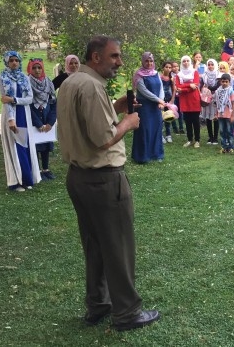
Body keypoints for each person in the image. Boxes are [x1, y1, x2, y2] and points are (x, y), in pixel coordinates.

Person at [57, 35, 160, 331]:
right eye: (114, 56)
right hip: (103, 181)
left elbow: (89, 124)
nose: (119, 62)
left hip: (79, 178)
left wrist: (115, 107)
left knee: (95, 246)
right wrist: (128, 122)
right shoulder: (91, 86)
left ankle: (98, 305)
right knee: (118, 247)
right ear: (95, 57)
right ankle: (127, 313)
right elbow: (102, 139)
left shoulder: (72, 82)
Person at [0, 51, 41, 191]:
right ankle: (16, 182)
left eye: (16, 60)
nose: (14, 63)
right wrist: (11, 119)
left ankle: (27, 178)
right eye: (11, 60)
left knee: (24, 145)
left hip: (23, 115)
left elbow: (29, 99)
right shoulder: (1, 78)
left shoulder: (24, 77)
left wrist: (14, 99)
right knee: (14, 146)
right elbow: (4, 100)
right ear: (6, 62)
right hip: (11, 116)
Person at [132, 52, 165, 163]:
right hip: (144, 107)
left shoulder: (156, 73)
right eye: (147, 61)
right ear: (143, 61)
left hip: (156, 107)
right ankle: (143, 156)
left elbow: (161, 88)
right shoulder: (139, 75)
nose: (149, 63)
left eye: (151, 61)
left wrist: (161, 101)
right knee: (145, 130)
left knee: (156, 129)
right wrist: (158, 100)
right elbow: (144, 91)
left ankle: (157, 154)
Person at [27, 58, 57, 180]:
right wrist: (38, 123)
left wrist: (50, 122)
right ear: (30, 69)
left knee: (45, 143)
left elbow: (54, 103)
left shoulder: (48, 82)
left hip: (46, 115)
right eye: (34, 68)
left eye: (39, 67)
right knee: (35, 144)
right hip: (34, 117)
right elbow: (27, 106)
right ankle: (37, 170)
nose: (37, 70)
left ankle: (46, 169)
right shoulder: (27, 84)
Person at [175, 55, 202, 147]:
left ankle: (197, 140)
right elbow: (178, 86)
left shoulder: (195, 72)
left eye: (187, 61)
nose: (186, 63)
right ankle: (189, 139)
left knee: (196, 121)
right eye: (184, 61)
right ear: (181, 63)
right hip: (184, 100)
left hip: (194, 99)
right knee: (187, 121)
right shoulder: (179, 75)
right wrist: (189, 85)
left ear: (190, 62)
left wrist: (183, 89)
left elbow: (196, 85)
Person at [214, 73, 234, 153]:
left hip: (228, 114)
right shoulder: (218, 91)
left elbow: (233, 104)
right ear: (220, 82)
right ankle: (223, 146)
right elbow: (217, 104)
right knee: (222, 131)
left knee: (229, 131)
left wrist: (232, 115)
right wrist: (216, 114)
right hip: (220, 114)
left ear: (229, 82)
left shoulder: (231, 91)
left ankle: (231, 147)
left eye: (226, 82)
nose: (224, 83)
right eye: (223, 81)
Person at [201, 59, 220, 145]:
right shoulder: (204, 75)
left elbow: (217, 86)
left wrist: (208, 87)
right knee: (208, 117)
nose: (210, 66)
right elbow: (201, 85)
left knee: (215, 117)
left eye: (212, 64)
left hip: (216, 97)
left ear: (215, 65)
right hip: (206, 98)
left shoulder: (218, 74)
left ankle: (215, 138)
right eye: (209, 64)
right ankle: (210, 137)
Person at [160, 61, 176, 142]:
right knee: (161, 118)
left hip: (169, 99)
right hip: (161, 100)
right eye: (166, 67)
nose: (168, 69)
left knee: (168, 116)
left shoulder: (171, 78)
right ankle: (160, 135)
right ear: (163, 68)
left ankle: (168, 134)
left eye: (170, 68)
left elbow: (174, 89)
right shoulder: (159, 77)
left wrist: (172, 100)